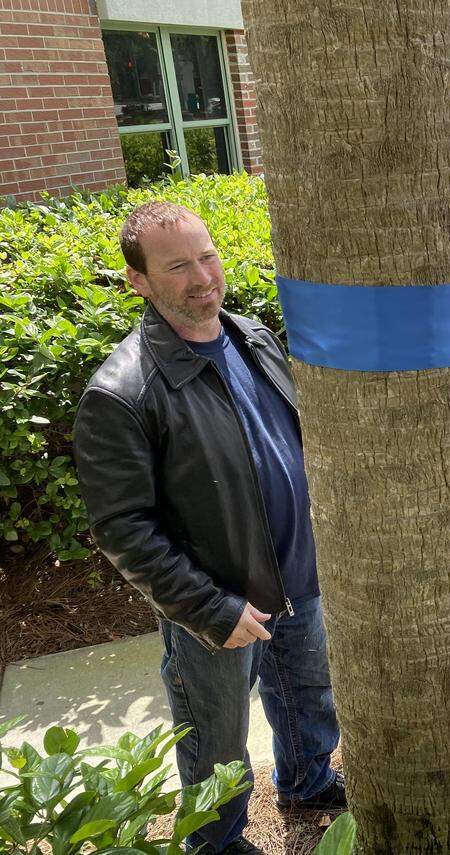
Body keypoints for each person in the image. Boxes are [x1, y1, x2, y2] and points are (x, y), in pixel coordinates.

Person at [72, 202, 344, 855]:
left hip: (297, 574)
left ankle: (306, 780)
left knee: (308, 695)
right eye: (177, 266)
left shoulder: (252, 336)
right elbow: (122, 526)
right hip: (218, 602)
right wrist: (207, 608)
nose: (202, 277)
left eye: (207, 255)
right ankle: (217, 840)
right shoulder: (121, 389)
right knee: (216, 738)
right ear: (138, 280)